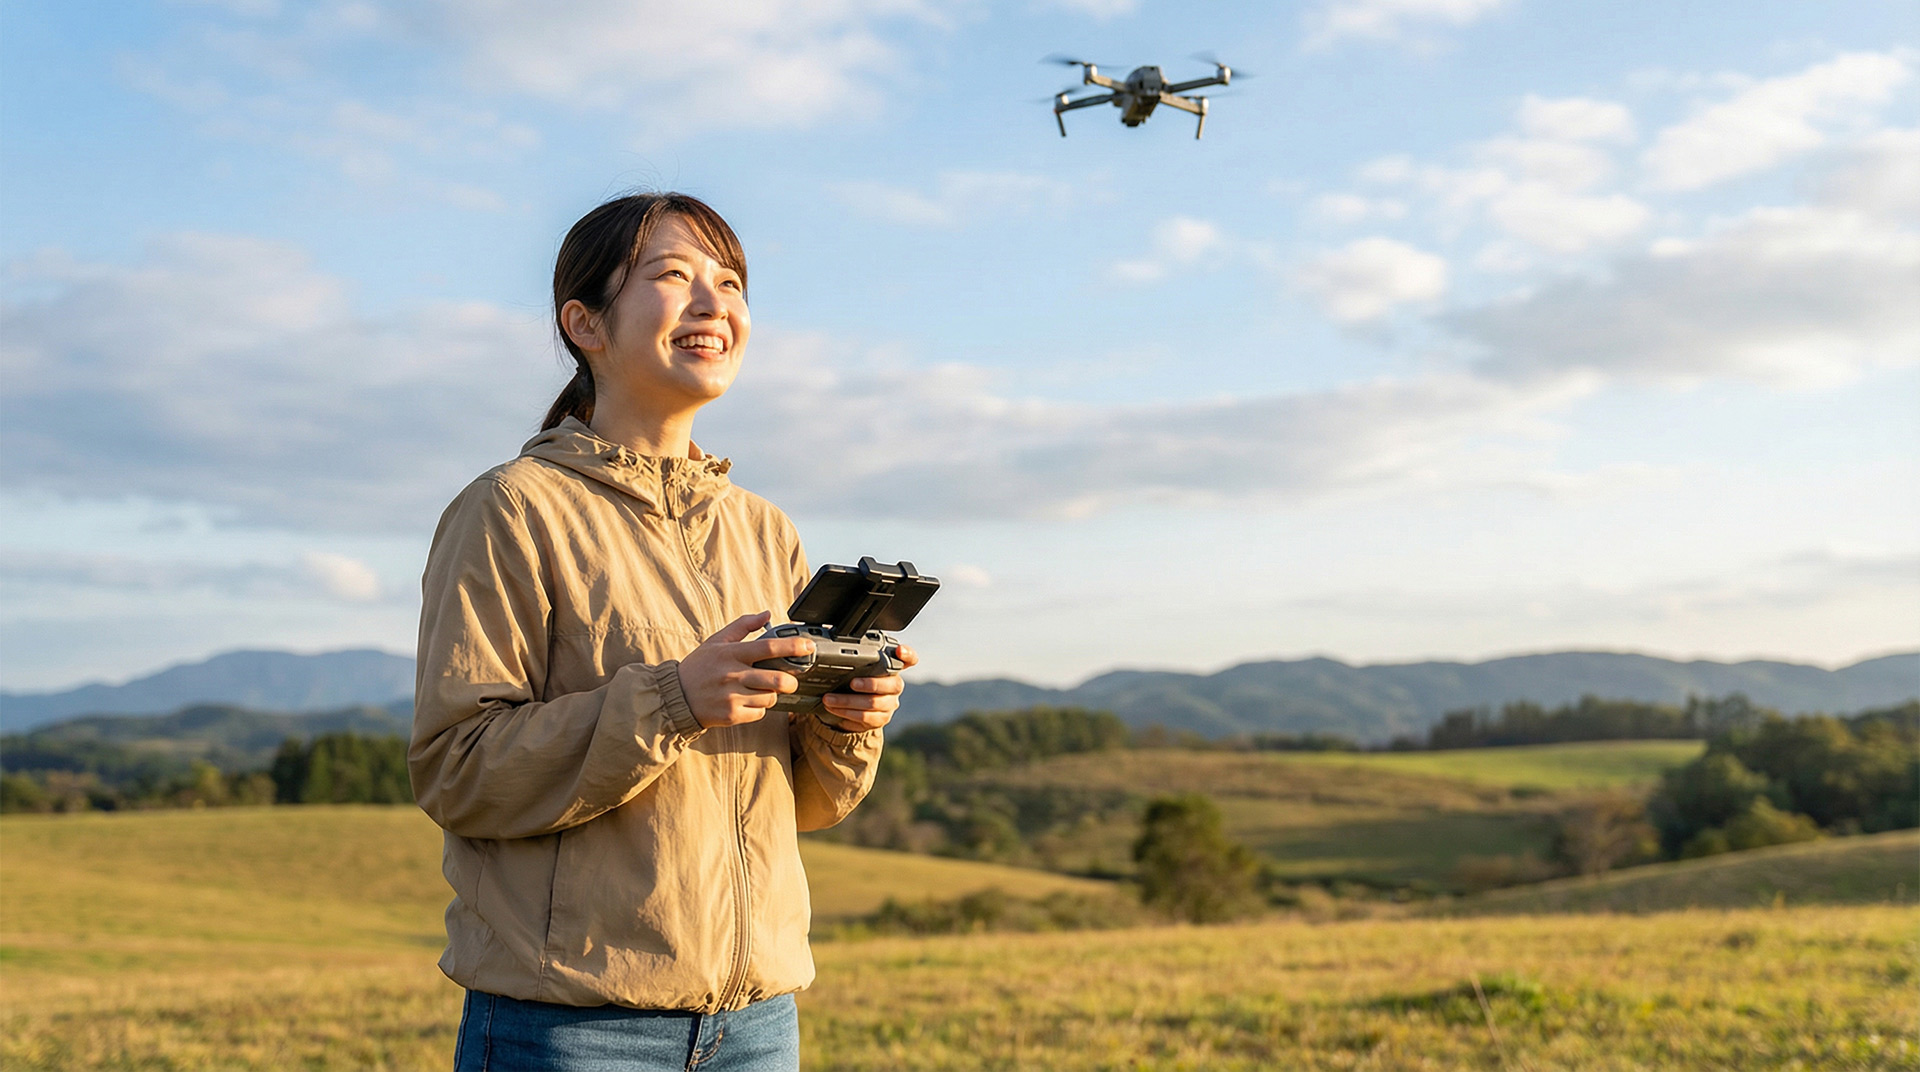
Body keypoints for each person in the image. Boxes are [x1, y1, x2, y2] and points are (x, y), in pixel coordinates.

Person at [410, 192, 914, 1071]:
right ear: (585, 323)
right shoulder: (512, 511)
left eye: (730, 282)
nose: (715, 304)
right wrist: (673, 699)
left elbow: (806, 805)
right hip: (572, 1028)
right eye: (673, 277)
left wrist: (841, 720)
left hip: (755, 1024)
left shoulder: (766, 530)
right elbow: (457, 772)